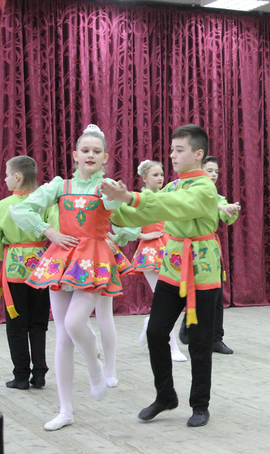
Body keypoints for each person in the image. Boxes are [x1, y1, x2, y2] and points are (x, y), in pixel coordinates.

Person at [102, 124, 221, 428]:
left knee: (200, 341)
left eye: (179, 150)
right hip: (172, 264)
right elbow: (146, 213)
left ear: (198, 154)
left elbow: (175, 207)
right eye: (171, 150)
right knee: (156, 332)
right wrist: (112, 207)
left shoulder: (205, 187)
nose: (172, 156)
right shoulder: (172, 186)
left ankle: (200, 404)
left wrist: (132, 197)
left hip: (202, 269)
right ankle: (165, 395)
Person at [12, 124, 126, 430]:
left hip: (93, 259)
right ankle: (65, 410)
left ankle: (94, 365)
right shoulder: (59, 186)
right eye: (85, 150)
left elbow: (119, 211)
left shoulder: (106, 187)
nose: (90, 155)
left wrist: (116, 197)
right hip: (61, 257)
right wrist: (48, 231)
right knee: (62, 335)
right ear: (74, 154)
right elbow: (22, 209)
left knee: (75, 323)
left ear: (105, 157)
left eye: (97, 151)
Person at [0, 155, 56, 390]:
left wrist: (11, 254)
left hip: (14, 269)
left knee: (16, 325)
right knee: (38, 323)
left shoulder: (1, 207)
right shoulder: (47, 204)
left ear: (17, 176)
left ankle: (21, 375)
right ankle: (40, 373)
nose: (5, 179)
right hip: (40, 269)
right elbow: (56, 231)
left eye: (6, 175)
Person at [131, 160, 188, 362]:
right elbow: (123, 224)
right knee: (163, 298)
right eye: (155, 175)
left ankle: (151, 323)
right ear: (145, 178)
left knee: (170, 298)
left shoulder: (166, 196)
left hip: (169, 248)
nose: (160, 178)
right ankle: (172, 347)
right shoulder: (138, 199)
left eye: (162, 174)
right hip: (150, 251)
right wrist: (142, 235)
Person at [200, 155, 240, 354]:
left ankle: (216, 339)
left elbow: (226, 217)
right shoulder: (188, 191)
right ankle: (188, 327)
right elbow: (197, 204)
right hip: (188, 249)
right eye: (209, 170)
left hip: (210, 250)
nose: (213, 174)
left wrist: (230, 209)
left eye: (216, 171)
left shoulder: (218, 197)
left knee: (216, 296)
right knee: (192, 294)